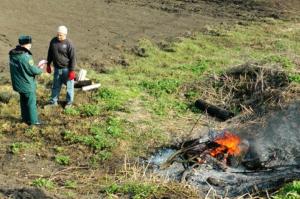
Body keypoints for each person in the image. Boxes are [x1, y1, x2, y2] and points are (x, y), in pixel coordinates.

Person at [9, 35, 44, 125]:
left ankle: (25, 119)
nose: (30, 46)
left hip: (17, 84)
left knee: (23, 101)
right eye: (29, 44)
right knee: (31, 103)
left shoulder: (13, 54)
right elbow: (33, 70)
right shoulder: (25, 57)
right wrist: (41, 68)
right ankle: (34, 121)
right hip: (27, 84)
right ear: (26, 44)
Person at [46, 25, 76, 108]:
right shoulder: (53, 41)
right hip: (57, 68)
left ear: (65, 35)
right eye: (58, 34)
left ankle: (69, 102)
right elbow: (50, 53)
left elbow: (73, 58)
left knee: (69, 86)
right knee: (56, 85)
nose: (58, 37)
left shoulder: (69, 44)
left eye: (61, 35)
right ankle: (53, 102)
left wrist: (72, 70)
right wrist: (48, 64)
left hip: (67, 69)